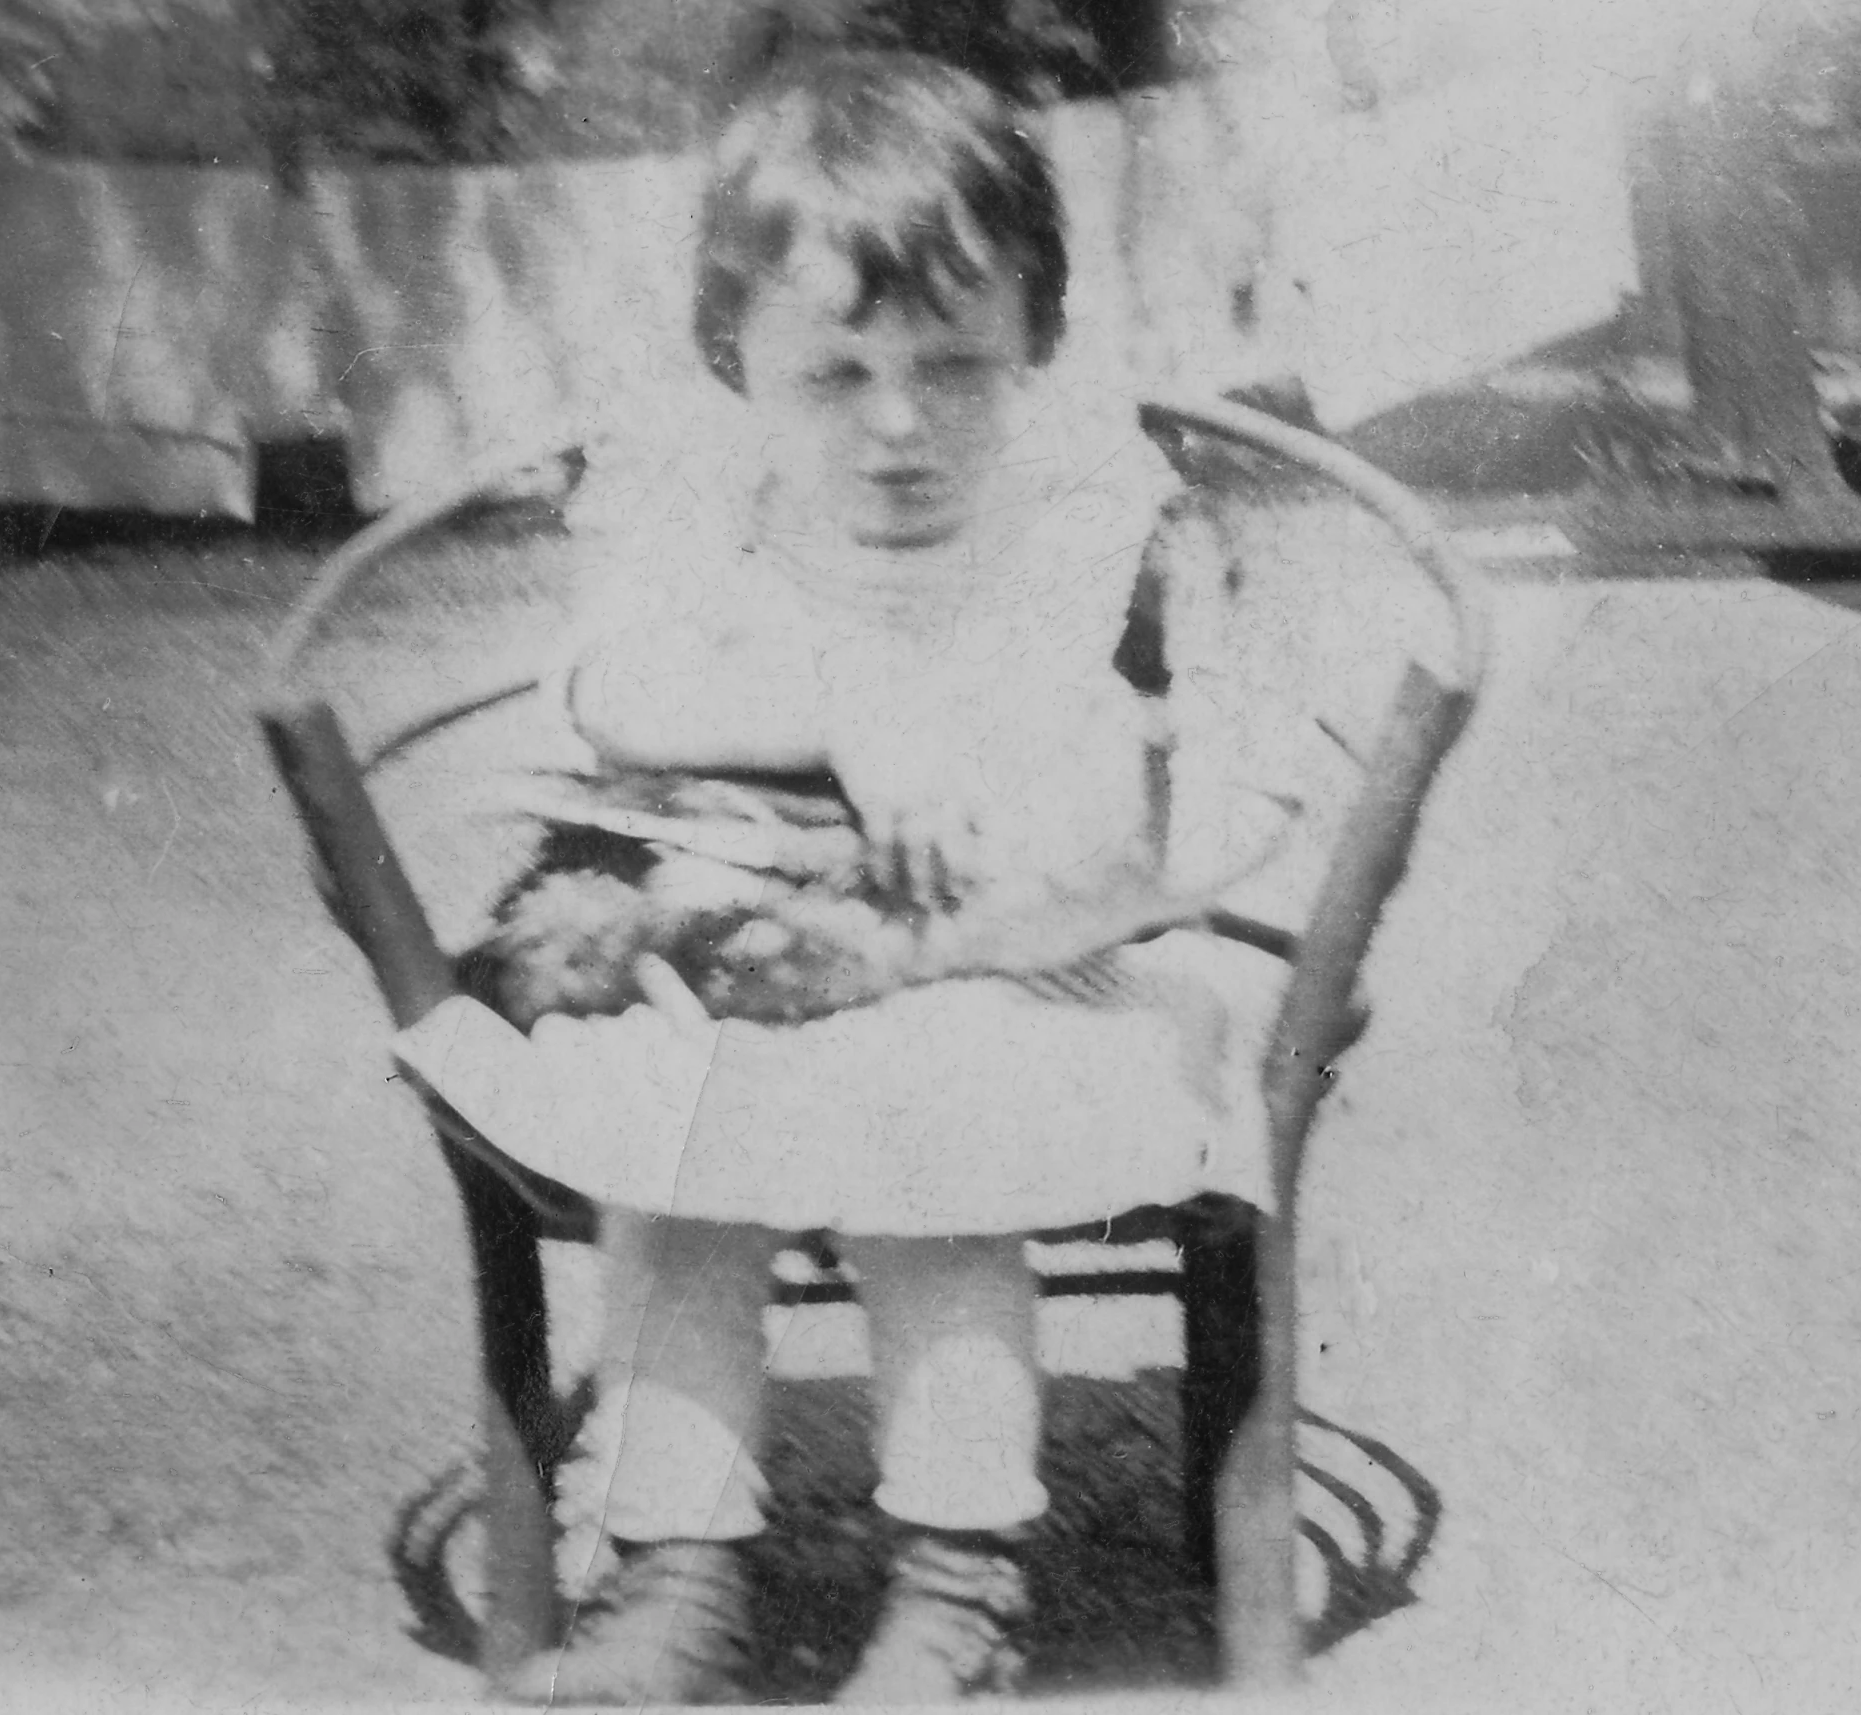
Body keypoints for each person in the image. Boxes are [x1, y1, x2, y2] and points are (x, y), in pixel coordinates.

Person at [389, 45, 1352, 1704]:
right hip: (733, 941)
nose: (900, 425)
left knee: (938, 1130)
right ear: (737, 362)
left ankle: (958, 1583)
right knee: (669, 1131)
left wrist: (1010, 801)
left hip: (1013, 956)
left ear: (1035, 343)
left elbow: (1167, 787)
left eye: (956, 365)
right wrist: (832, 705)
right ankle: (678, 1573)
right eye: (835, 375)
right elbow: (598, 691)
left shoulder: (1075, 517)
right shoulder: (709, 502)